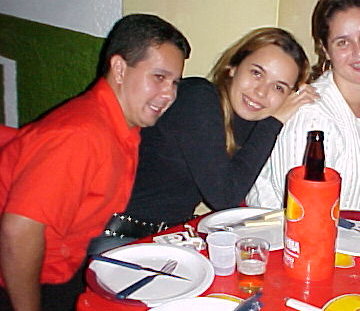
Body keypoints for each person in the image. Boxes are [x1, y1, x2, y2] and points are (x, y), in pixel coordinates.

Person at [0, 14, 190, 311]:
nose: (168, 94)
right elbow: (18, 230)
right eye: (158, 77)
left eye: (174, 83)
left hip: (56, 272)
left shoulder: (119, 125)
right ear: (119, 69)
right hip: (17, 284)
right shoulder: (83, 134)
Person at [98, 27, 316, 244]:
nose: (261, 91)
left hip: (164, 239)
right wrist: (274, 122)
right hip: (115, 237)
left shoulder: (250, 123)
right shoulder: (198, 98)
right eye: (256, 73)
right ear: (233, 67)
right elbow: (225, 196)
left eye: (278, 87)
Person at [247, 0, 360, 221]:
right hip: (287, 233)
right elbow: (301, 214)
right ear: (325, 50)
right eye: (343, 42)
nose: (359, 51)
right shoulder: (310, 115)